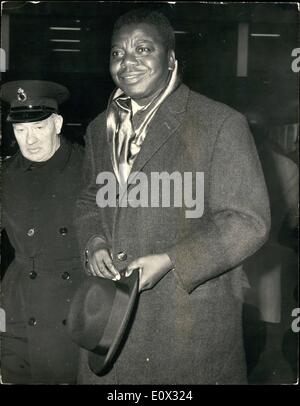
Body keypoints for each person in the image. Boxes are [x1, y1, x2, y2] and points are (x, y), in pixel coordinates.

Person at [75, 8, 271, 384]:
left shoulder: (219, 123)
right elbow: (88, 199)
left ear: (171, 60)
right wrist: (94, 241)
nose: (127, 62)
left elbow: (248, 221)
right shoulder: (102, 128)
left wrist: (171, 260)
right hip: (109, 330)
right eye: (117, 53)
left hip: (186, 336)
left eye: (143, 49)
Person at [0, 80, 85, 384]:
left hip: (75, 303)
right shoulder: (6, 175)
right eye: (20, 131)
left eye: (38, 128)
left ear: (57, 123)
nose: (29, 140)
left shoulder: (89, 168)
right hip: (19, 304)